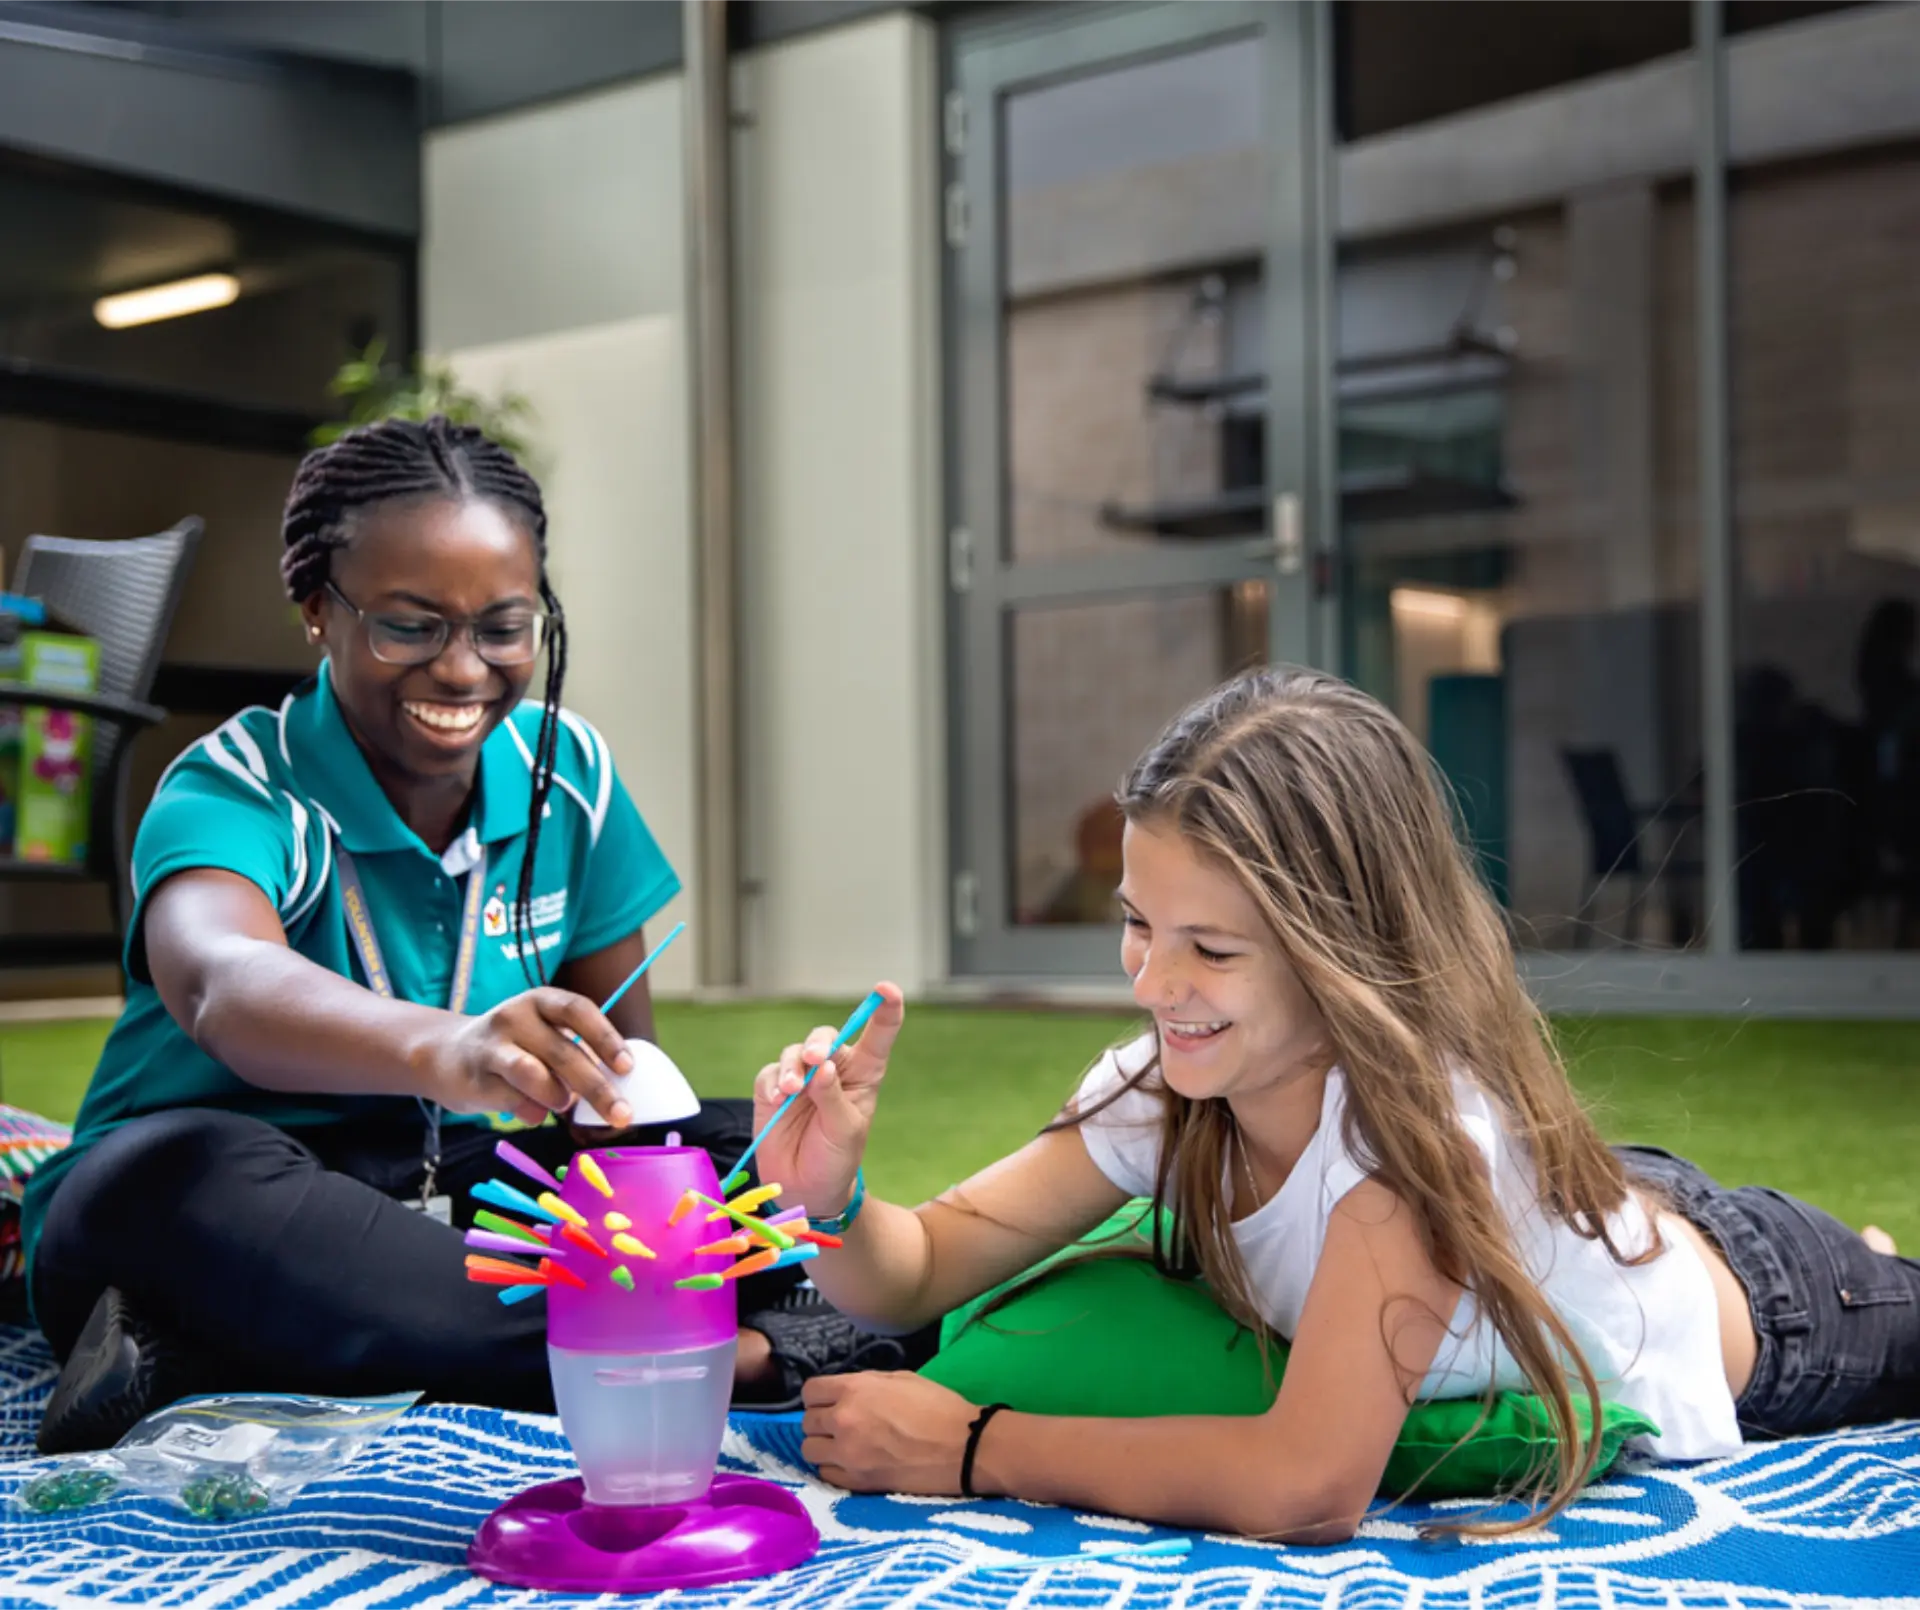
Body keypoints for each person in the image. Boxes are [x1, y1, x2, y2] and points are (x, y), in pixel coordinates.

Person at [756, 667, 1920, 1540]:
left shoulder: (1405, 1151)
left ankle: (1865, 1254)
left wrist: (975, 1448)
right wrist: (832, 1195)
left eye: (1209, 945)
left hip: (1771, 1312)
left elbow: (1311, 1482)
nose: (1154, 983)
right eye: (1136, 922)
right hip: (1598, 1208)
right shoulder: (1164, 1090)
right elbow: (913, 1268)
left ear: (1339, 948)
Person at [22, 416, 899, 1455]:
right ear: (317, 610)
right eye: (409, 624)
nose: (462, 669)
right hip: (214, 1187)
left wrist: (686, 1161)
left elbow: (618, 1087)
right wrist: (450, 1045)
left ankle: (219, 1351)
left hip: (459, 1181)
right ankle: (748, 1354)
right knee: (181, 1171)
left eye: (502, 624)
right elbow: (222, 979)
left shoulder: (566, 772)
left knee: (731, 1163)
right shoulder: (241, 781)